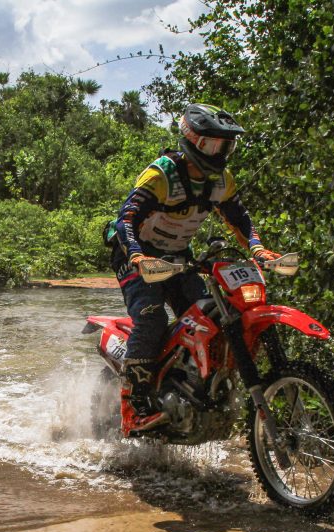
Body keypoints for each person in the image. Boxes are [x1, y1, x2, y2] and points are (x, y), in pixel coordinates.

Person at [110, 103, 280, 435]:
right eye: (211, 144)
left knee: (209, 316)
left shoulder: (222, 181)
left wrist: (257, 248)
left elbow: (238, 218)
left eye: (225, 145)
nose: (218, 153)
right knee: (151, 316)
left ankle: (193, 387)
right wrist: (136, 256)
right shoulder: (161, 175)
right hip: (137, 257)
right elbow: (125, 220)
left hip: (178, 257)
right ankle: (134, 407)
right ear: (191, 140)